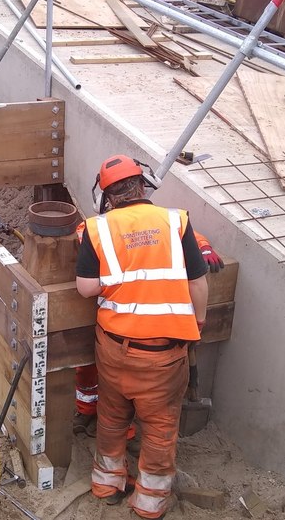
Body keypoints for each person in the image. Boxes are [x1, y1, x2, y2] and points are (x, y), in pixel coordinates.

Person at [75, 154, 209, 519]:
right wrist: (199, 321)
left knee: (113, 416)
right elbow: (197, 281)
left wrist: (116, 281)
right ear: (142, 185)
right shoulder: (174, 222)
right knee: (161, 427)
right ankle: (149, 504)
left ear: (107, 196)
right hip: (164, 356)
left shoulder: (96, 229)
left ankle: (105, 484)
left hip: (114, 349)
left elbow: (86, 288)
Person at [73, 230, 223, 438]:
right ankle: (87, 410)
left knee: (124, 396)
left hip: (133, 324)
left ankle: (123, 436)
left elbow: (186, 233)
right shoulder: (94, 228)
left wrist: (203, 246)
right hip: (111, 318)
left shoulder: (154, 221)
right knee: (95, 374)